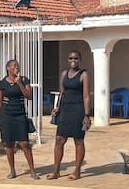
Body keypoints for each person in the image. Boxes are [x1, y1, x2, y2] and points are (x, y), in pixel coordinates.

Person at [46, 50, 91, 181]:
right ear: (68, 59)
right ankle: (56, 171)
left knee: (78, 141)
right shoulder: (64, 74)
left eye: (76, 58)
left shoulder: (84, 74)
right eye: (71, 58)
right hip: (65, 110)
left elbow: (86, 96)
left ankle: (77, 172)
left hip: (78, 111)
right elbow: (62, 93)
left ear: (79, 60)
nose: (73, 60)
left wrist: (87, 115)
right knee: (59, 140)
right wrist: (57, 108)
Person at [0, 59, 40, 180]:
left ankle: (32, 171)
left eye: (17, 66)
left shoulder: (24, 80)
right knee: (9, 144)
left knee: (25, 143)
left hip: (20, 115)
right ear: (8, 68)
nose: (16, 68)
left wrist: (20, 84)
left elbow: (29, 96)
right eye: (14, 66)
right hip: (6, 116)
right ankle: (12, 171)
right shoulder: (2, 84)